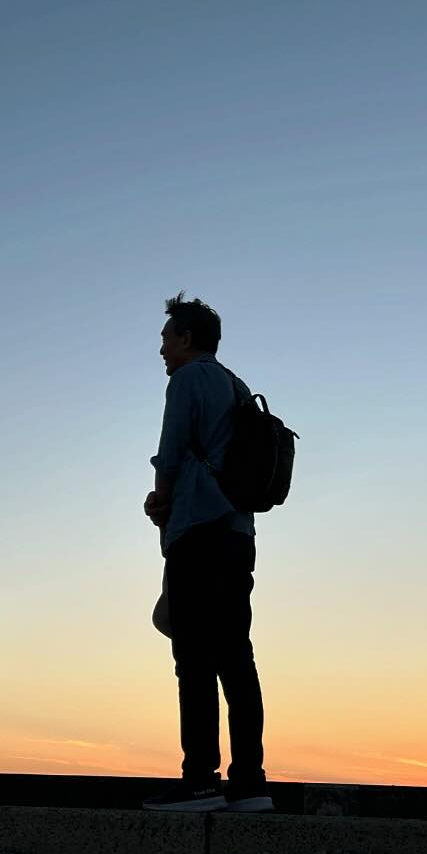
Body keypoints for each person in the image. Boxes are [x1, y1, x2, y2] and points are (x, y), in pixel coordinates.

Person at [142, 293, 273, 813]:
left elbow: (172, 450)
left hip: (198, 529)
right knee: (237, 657)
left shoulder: (189, 380)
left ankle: (199, 780)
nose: (162, 351)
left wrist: (161, 500)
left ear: (187, 338)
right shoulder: (237, 385)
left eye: (166, 339)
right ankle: (250, 783)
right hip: (239, 534)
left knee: (193, 657)